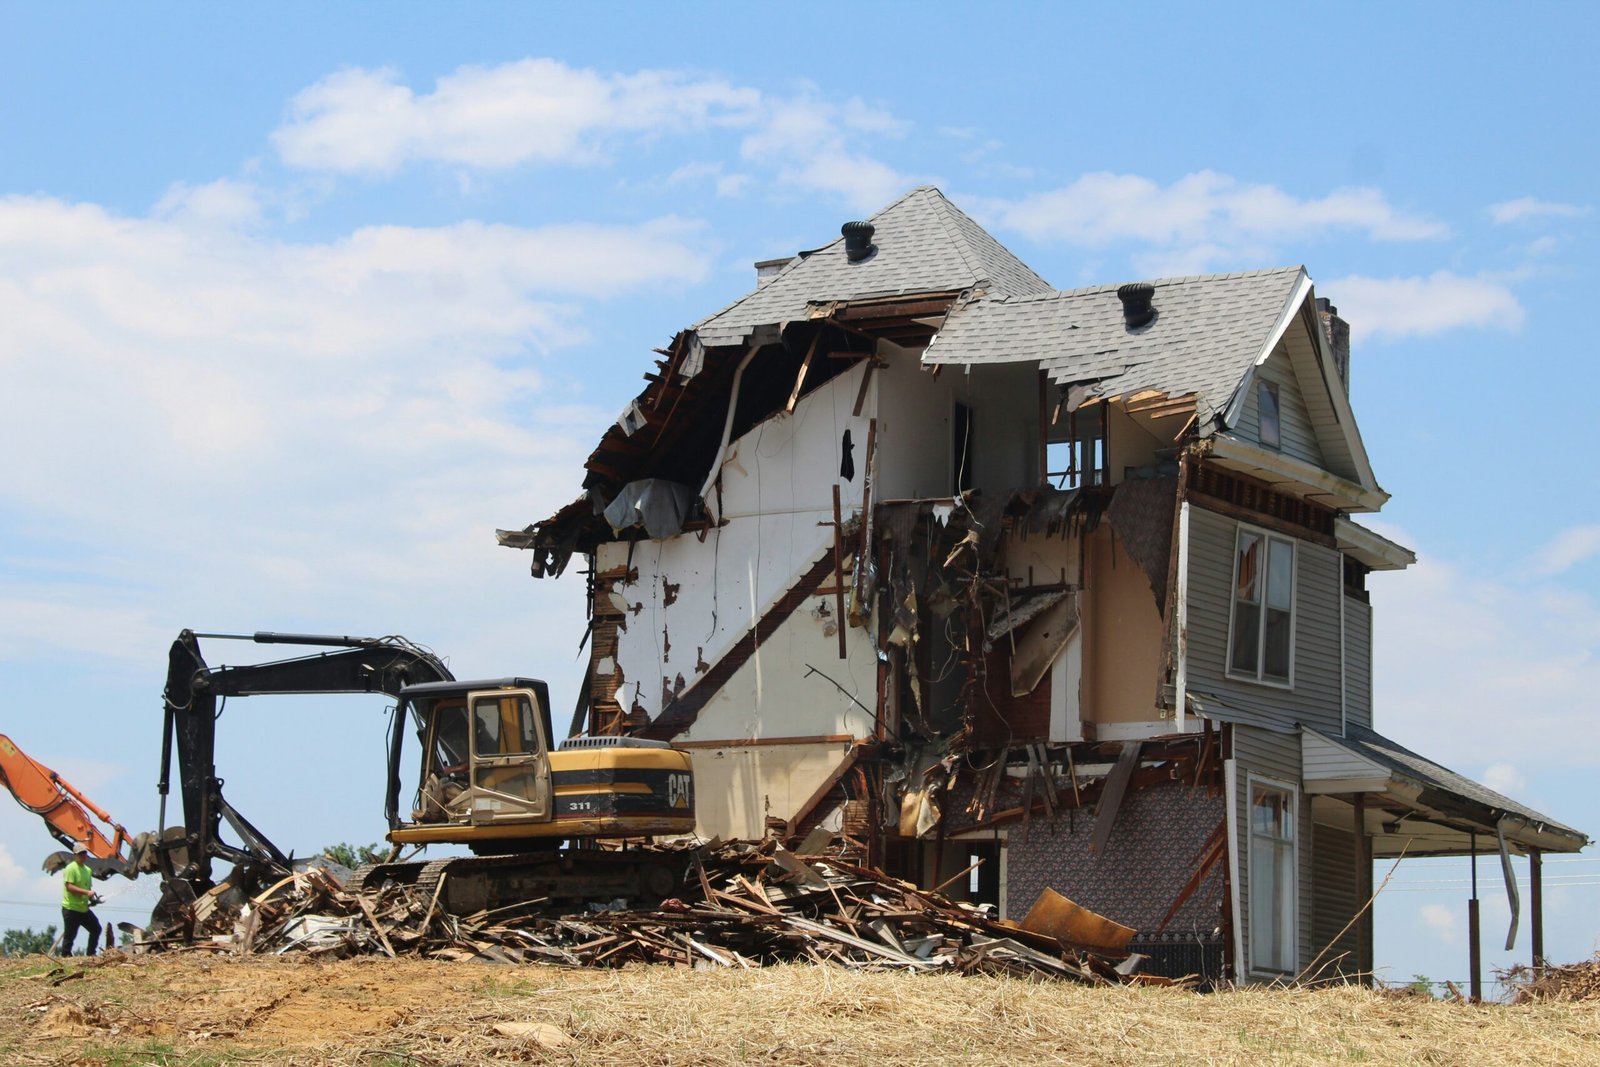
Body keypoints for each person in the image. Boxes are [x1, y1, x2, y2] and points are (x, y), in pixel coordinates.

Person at [59, 845, 103, 956]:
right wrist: (87, 893)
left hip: (83, 909)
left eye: (84, 853)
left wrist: (93, 899)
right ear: (75, 855)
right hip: (71, 908)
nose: (83, 856)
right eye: (80, 854)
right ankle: (65, 956)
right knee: (70, 935)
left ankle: (90, 954)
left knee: (96, 928)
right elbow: (69, 887)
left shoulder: (87, 870)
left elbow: (87, 889)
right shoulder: (70, 868)